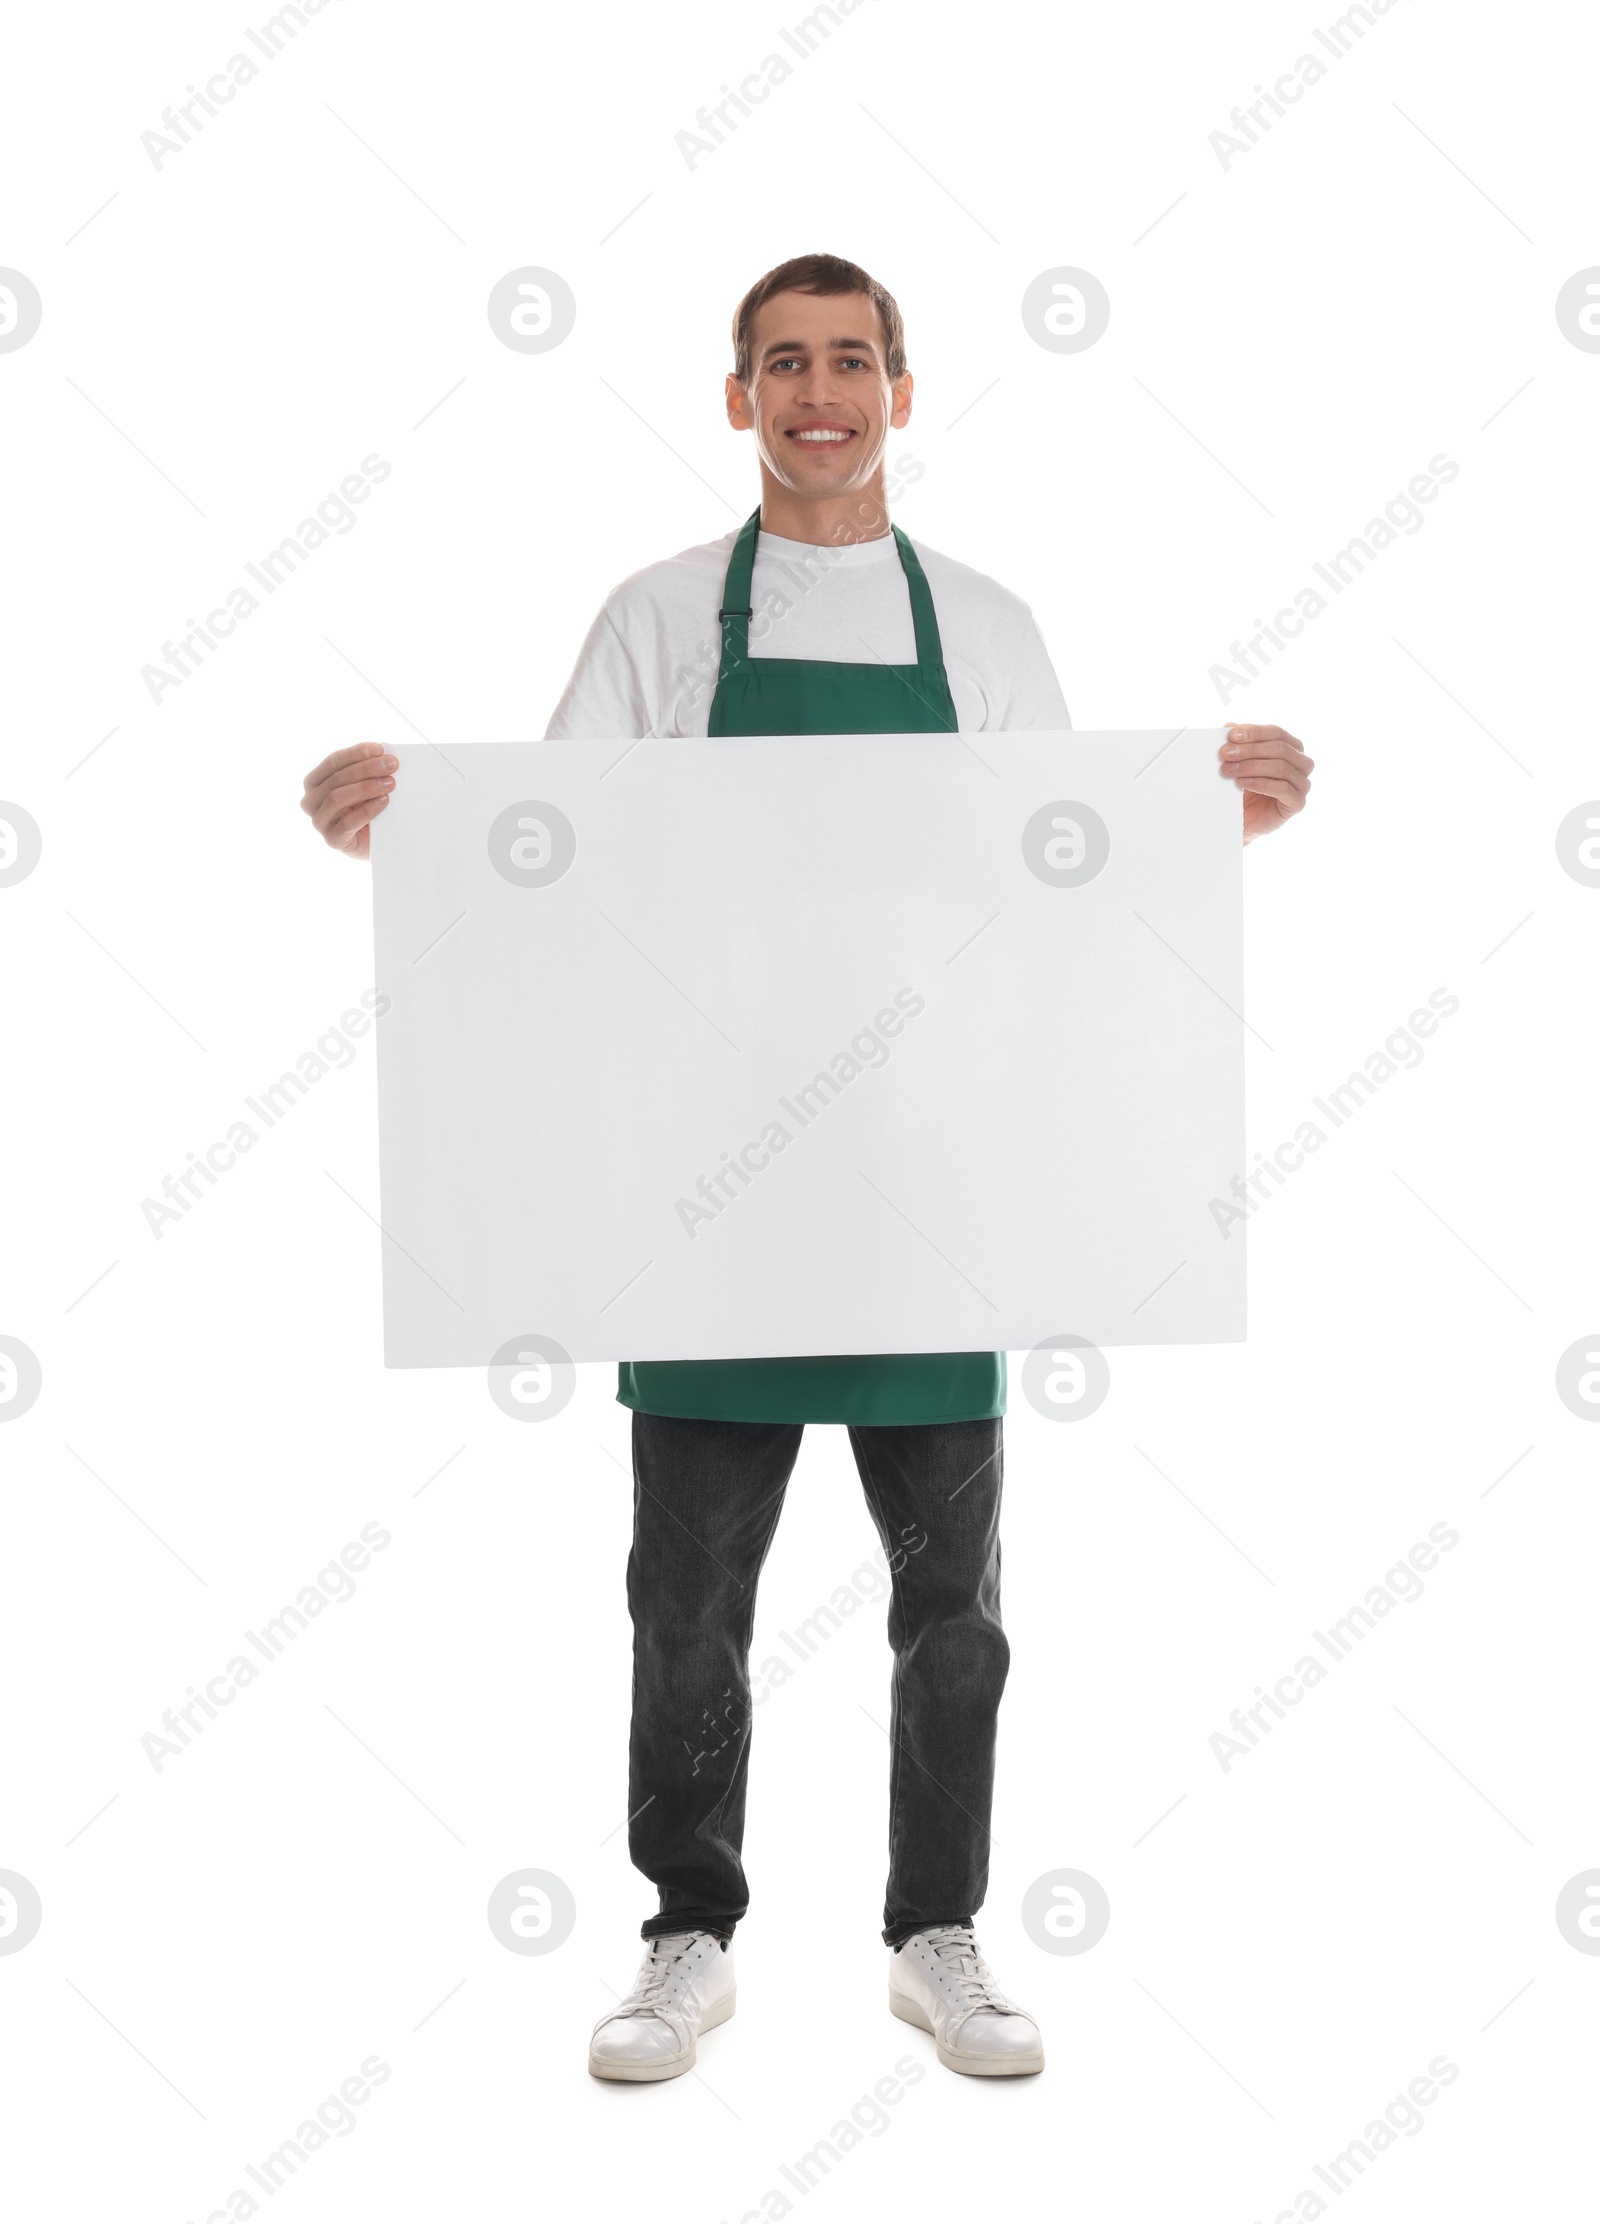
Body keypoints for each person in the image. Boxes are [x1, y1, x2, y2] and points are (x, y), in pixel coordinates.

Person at [302, 252, 1313, 2084]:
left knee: (955, 1604)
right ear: (737, 396)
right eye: (784, 363)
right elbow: (555, 865)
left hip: (933, 1189)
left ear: (902, 391)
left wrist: (1199, 818)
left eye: (851, 361)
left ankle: (940, 1931)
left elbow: (1057, 880)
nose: (818, 392)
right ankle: (688, 1933)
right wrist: (411, 825)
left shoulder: (987, 627)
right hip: (702, 1201)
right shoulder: (660, 618)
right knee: (685, 1598)